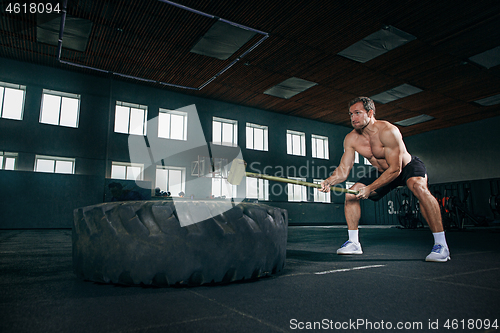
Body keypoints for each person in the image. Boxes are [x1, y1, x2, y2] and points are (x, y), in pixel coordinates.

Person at [320, 97, 450, 262]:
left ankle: (441, 245)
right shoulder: (351, 139)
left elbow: (396, 169)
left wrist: (369, 188)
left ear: (370, 113)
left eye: (358, 113)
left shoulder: (388, 131)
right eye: (351, 114)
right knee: (351, 193)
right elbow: (344, 170)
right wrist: (329, 181)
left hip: (406, 167)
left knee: (419, 187)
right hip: (382, 171)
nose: (353, 118)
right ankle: (353, 243)